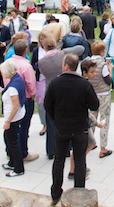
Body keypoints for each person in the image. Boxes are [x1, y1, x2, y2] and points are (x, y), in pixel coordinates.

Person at [44, 53, 100, 204]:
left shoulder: (55, 83)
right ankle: (79, 193)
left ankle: (56, 192)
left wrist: (56, 118)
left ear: (66, 66)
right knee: (80, 161)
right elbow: (95, 105)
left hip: (62, 127)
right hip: (79, 128)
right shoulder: (84, 84)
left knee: (59, 160)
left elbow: (47, 105)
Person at [8, 39, 39, 163]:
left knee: (12, 125)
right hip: (24, 98)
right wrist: (32, 95)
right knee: (24, 126)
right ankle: (23, 153)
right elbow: (30, 83)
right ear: (26, 51)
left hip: (11, 96)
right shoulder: (26, 66)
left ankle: (11, 151)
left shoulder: (9, 62)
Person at [0, 60, 26, 177]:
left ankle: (18, 168)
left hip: (13, 119)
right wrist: (3, 91)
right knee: (8, 138)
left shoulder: (13, 87)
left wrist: (8, 121)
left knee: (13, 142)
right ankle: (12, 162)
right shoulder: (17, 79)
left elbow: (15, 106)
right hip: (18, 115)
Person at [87, 41, 114, 158]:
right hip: (103, 93)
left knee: (92, 118)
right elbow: (108, 80)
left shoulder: (86, 62)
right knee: (104, 119)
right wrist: (110, 69)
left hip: (91, 93)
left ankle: (90, 142)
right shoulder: (102, 65)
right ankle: (103, 148)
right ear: (102, 52)